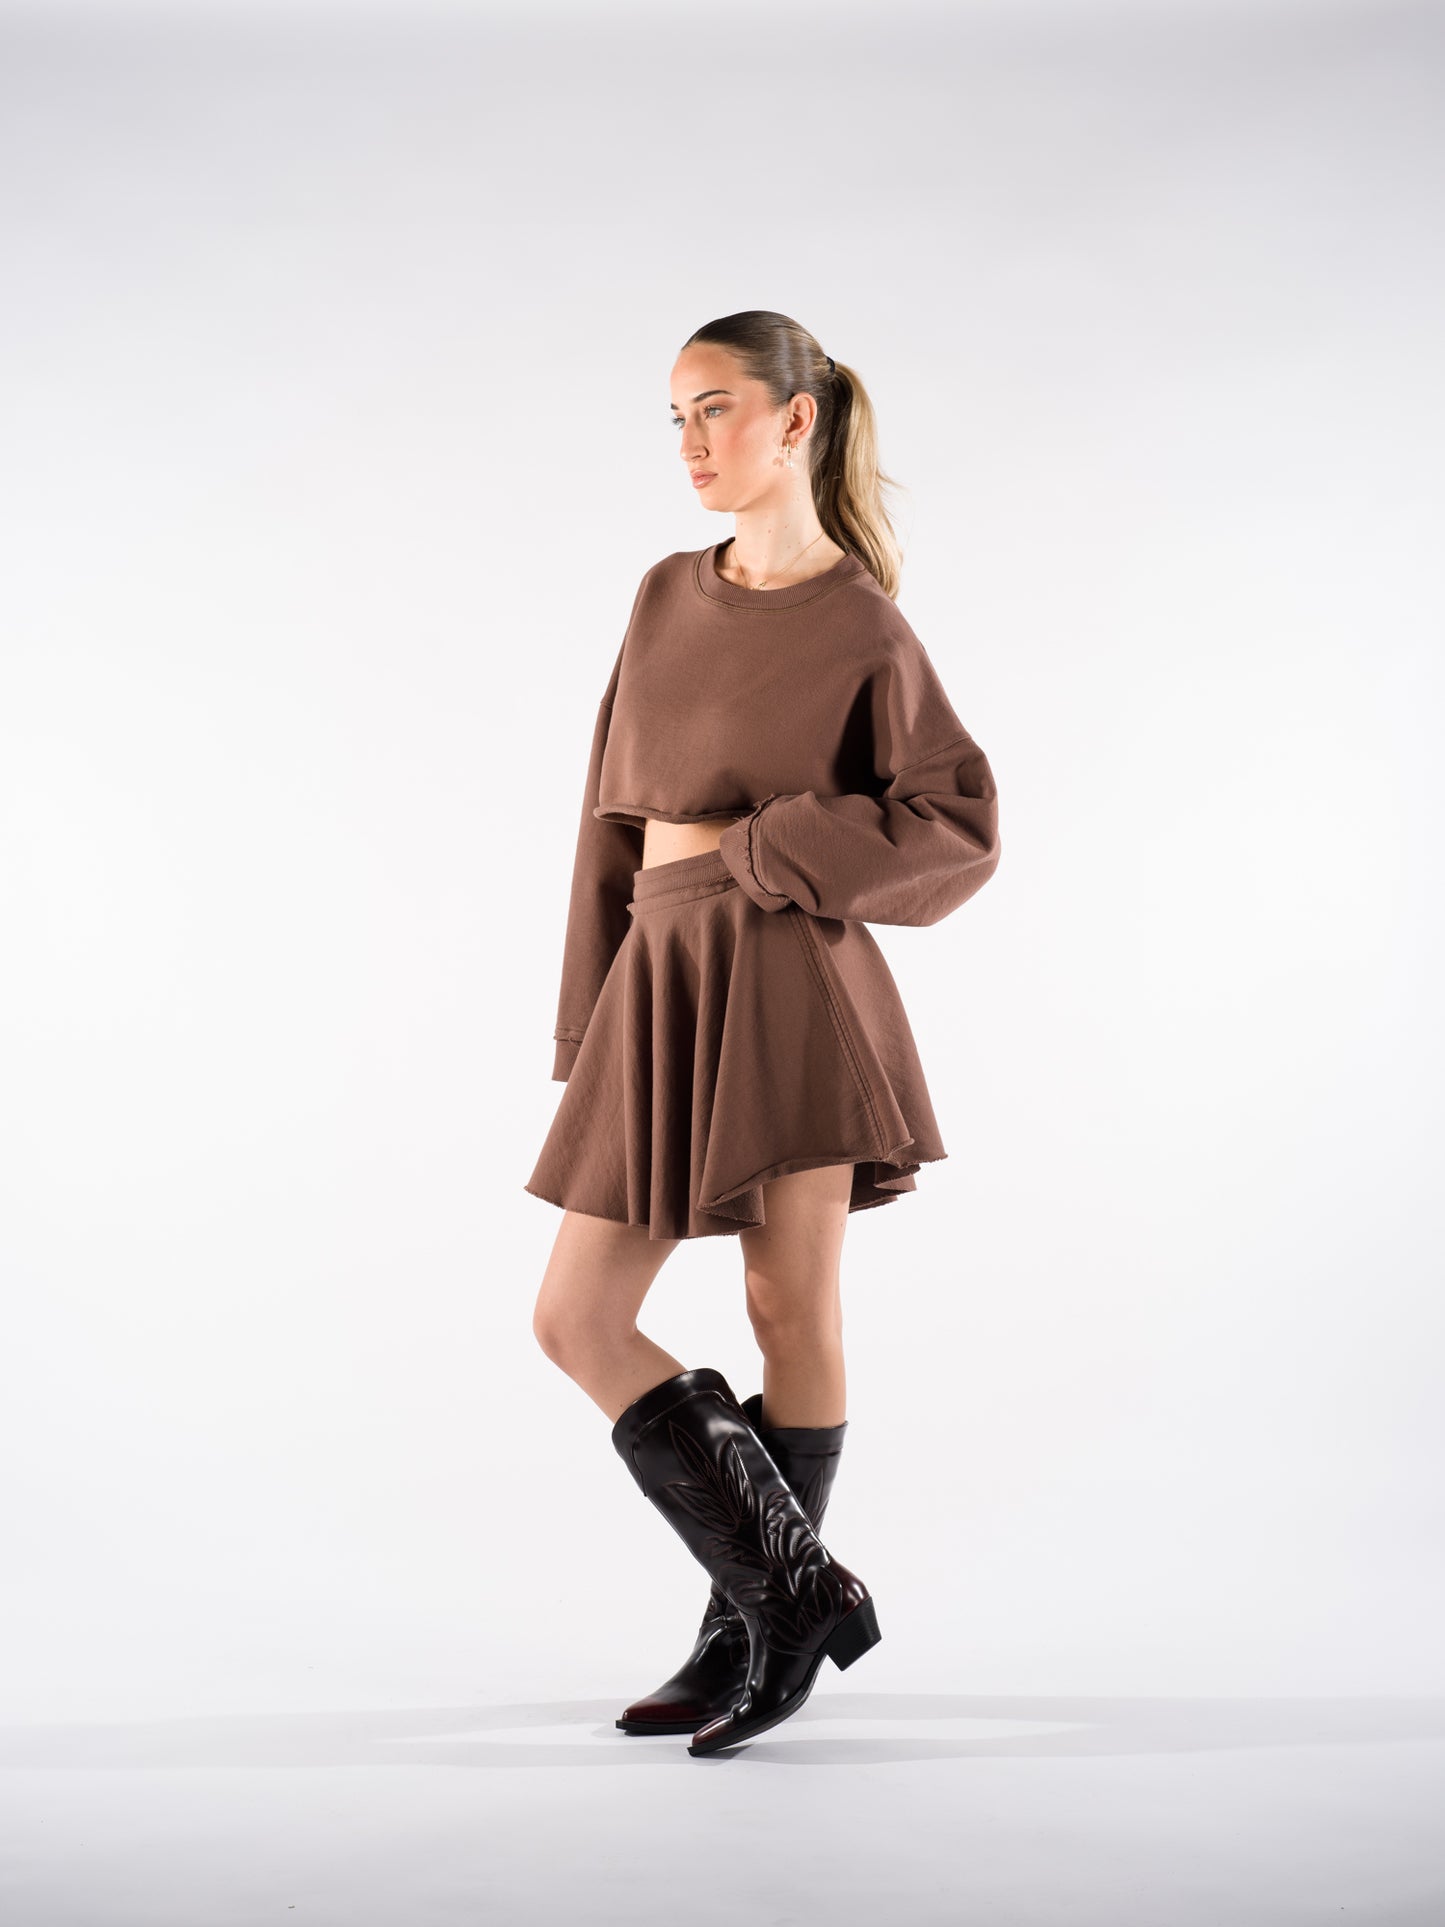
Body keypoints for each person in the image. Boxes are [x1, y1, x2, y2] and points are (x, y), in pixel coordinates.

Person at [525, 310, 1002, 1756]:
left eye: (715, 408)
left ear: (796, 420)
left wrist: (774, 846)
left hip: (790, 983)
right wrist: (591, 1013)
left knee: (789, 1308)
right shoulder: (663, 594)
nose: (690, 442)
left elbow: (958, 824)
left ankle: (749, 1624)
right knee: (575, 1318)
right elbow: (608, 820)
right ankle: (791, 1593)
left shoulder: (861, 623)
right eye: (674, 416)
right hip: (662, 970)